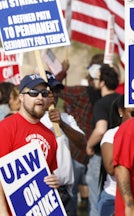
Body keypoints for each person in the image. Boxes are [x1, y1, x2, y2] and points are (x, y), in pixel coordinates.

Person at [0, 74, 60, 215]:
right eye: (33, 93)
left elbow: (48, 174)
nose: (40, 97)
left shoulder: (50, 136)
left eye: (44, 93)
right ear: (21, 97)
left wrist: (53, 181)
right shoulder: (5, 127)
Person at [57, 54, 103, 213]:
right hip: (95, 153)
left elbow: (57, 89)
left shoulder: (82, 92)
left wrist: (62, 72)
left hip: (77, 152)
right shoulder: (106, 96)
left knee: (70, 194)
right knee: (96, 199)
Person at [41, 71, 87, 216]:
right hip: (42, 191)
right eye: (48, 91)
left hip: (65, 192)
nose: (53, 95)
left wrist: (61, 124)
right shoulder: (32, 120)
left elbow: (82, 143)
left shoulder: (66, 118)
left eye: (56, 91)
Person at [86, 64, 120, 216]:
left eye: (96, 79)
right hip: (120, 157)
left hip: (101, 157)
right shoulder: (122, 100)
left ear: (102, 82)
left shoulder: (101, 103)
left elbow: (100, 129)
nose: (93, 82)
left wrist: (89, 145)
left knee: (97, 202)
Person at [97, 95, 134, 216]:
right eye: (133, 113)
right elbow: (110, 168)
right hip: (113, 197)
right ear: (121, 111)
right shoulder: (111, 134)